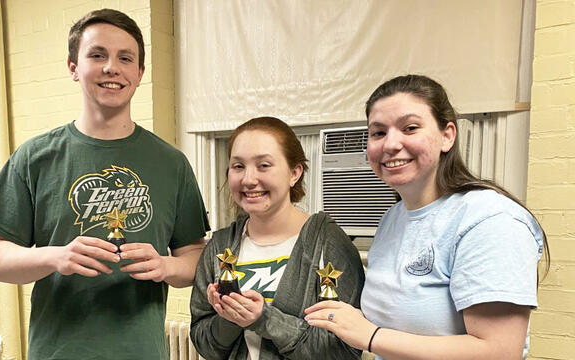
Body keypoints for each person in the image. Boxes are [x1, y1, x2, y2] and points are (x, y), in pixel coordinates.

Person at [0, 9, 209, 360]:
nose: (111, 67)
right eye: (97, 55)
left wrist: (166, 266)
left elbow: (195, 256)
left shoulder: (171, 164)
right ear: (73, 67)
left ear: (139, 73)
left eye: (125, 58)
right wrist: (56, 256)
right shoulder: (34, 158)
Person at [305, 75, 549, 359]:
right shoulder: (393, 218)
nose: (390, 144)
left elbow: (498, 351)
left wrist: (369, 335)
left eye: (410, 128)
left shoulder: (490, 220)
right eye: (378, 133)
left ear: (447, 136)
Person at [189, 116, 365, 360]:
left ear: (294, 173)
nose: (249, 179)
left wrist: (265, 319)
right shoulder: (220, 247)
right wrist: (229, 320)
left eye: (264, 165)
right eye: (238, 166)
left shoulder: (327, 244)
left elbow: (342, 351)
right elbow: (205, 345)